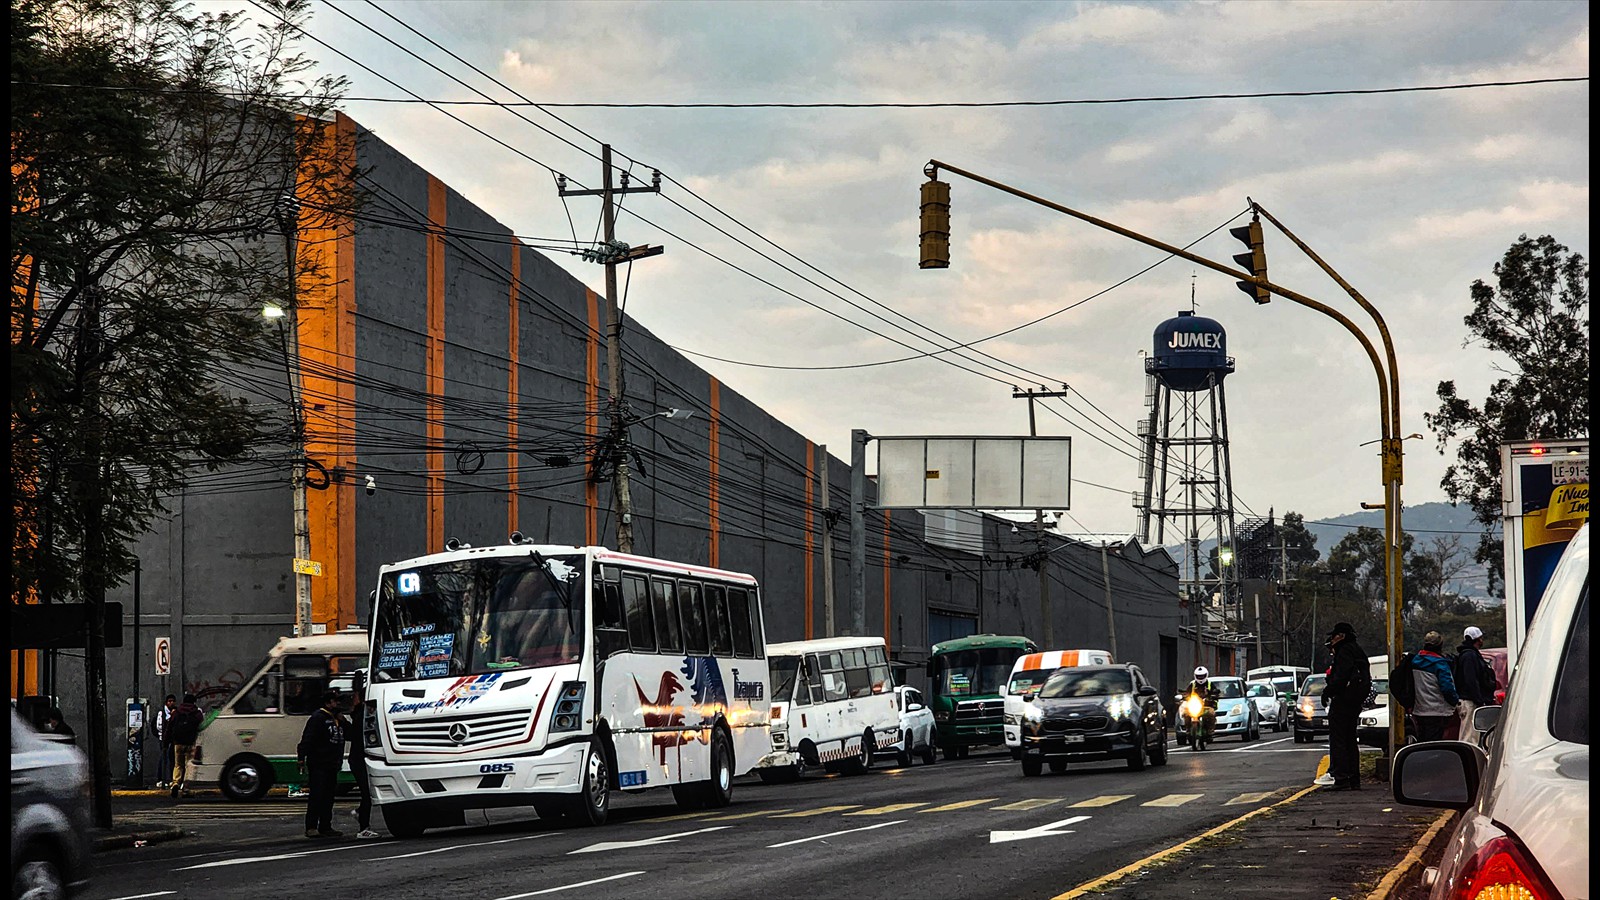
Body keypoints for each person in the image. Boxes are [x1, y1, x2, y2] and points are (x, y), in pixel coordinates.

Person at [1321, 622, 1370, 791]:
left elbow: (1341, 676)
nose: (1332, 640)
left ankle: (1341, 777)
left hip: (1343, 700)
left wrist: (1328, 691)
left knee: (1339, 739)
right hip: (1355, 701)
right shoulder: (1357, 651)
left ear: (1340, 636)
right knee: (1350, 739)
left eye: (1334, 636)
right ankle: (1353, 778)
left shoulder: (1344, 651)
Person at [297, 690, 346, 838]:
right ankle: (311, 826)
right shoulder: (318, 718)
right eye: (335, 701)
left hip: (332, 763)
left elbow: (348, 734)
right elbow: (307, 739)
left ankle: (326, 826)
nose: (338, 704)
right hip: (319, 763)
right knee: (317, 796)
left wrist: (343, 721)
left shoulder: (336, 719)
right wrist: (301, 758)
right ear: (328, 703)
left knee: (329, 797)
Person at [1407, 631, 1459, 742]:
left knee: (1423, 742)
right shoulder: (1440, 664)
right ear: (1440, 645)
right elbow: (1447, 688)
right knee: (1435, 743)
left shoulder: (1414, 661)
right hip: (1438, 711)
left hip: (1419, 710)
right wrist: (1455, 701)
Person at [1454, 625, 1497, 747]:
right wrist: (1479, 699)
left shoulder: (1468, 655)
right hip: (1470, 702)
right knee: (1469, 737)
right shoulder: (1469, 656)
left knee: (1473, 735)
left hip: (1471, 700)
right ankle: (1468, 762)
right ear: (1477, 640)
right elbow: (1471, 680)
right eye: (1481, 638)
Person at [348, 681, 378, 839]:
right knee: (367, 793)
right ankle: (363, 828)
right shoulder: (365, 716)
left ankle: (361, 814)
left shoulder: (361, 712)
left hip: (359, 758)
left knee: (368, 792)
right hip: (361, 758)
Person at [167, 693, 205, 797]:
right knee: (189, 765)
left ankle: (175, 783)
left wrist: (167, 741)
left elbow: (170, 726)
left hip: (178, 742)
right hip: (191, 742)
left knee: (178, 764)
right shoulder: (196, 713)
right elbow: (202, 726)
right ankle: (186, 788)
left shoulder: (177, 712)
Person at [154, 694, 177, 789]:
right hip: (163, 739)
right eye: (169, 701)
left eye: (173, 701)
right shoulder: (162, 713)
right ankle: (160, 779)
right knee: (163, 758)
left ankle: (171, 779)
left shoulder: (175, 712)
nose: (171, 703)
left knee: (172, 759)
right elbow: (159, 726)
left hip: (173, 739)